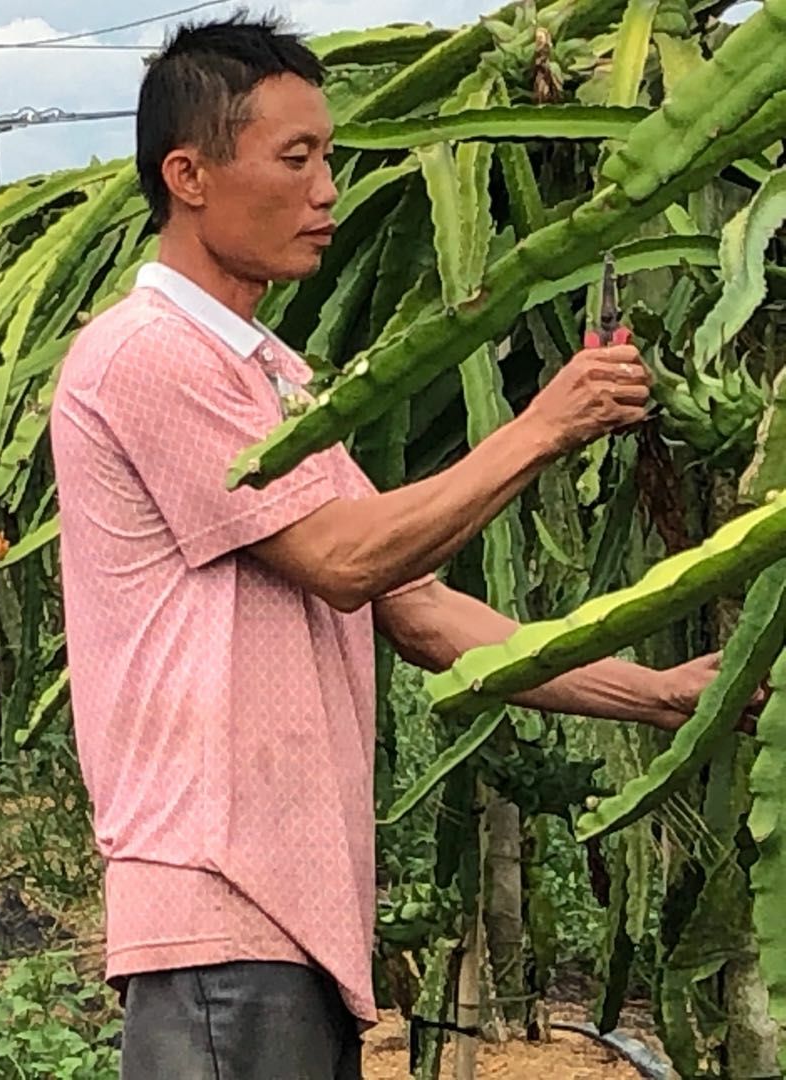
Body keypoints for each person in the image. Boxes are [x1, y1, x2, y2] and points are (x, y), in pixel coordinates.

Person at [48, 14, 737, 1079]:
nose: (328, 189)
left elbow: (415, 604)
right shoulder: (147, 355)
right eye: (297, 158)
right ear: (188, 174)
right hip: (217, 906)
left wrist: (655, 694)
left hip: (291, 913)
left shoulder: (271, 374)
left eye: (330, 156)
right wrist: (546, 426)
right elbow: (344, 557)